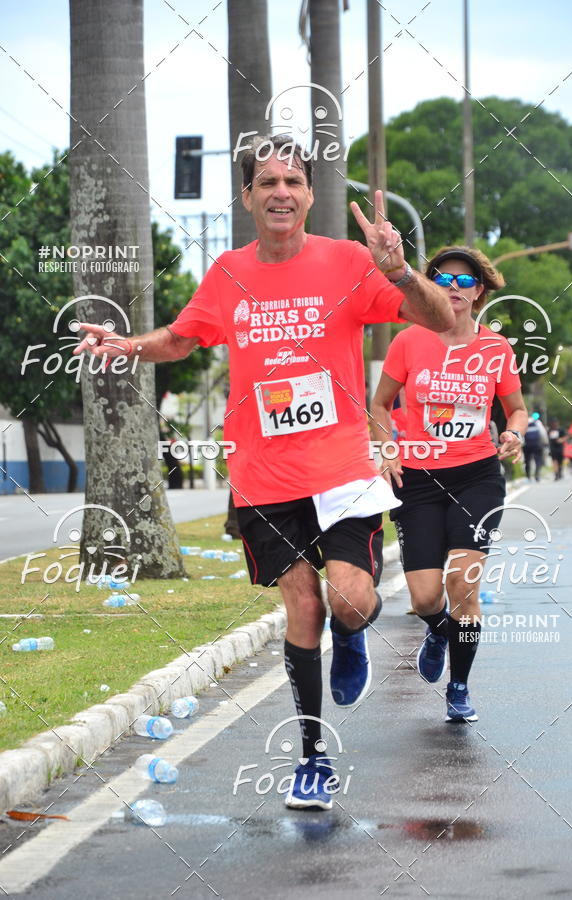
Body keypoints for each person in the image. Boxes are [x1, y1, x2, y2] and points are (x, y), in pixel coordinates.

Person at [73, 135, 454, 809]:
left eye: (294, 180)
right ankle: (312, 757)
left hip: (341, 466)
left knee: (349, 600)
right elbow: (186, 336)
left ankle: (352, 635)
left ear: (309, 195)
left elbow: (438, 316)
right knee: (302, 606)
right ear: (247, 196)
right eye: (267, 181)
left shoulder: (346, 261)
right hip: (263, 472)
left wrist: (397, 270)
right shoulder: (228, 272)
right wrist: (129, 344)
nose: (281, 191)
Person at [370, 245, 527, 723]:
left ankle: (458, 687)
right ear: (430, 286)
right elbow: (379, 407)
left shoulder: (495, 349)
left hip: (476, 476)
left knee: (464, 585)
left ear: (479, 291)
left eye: (464, 282)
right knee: (424, 599)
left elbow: (515, 407)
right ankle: (438, 631)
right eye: (443, 280)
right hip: (417, 480)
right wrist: (388, 446)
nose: (453, 289)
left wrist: (515, 432)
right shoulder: (408, 342)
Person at [523, 412, 547, 481]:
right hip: (537, 444)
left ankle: (528, 476)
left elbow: (521, 433)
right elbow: (543, 433)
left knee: (527, 460)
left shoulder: (525, 422)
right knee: (538, 460)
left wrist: (522, 444)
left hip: (527, 444)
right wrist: (545, 442)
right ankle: (537, 475)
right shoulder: (537, 422)